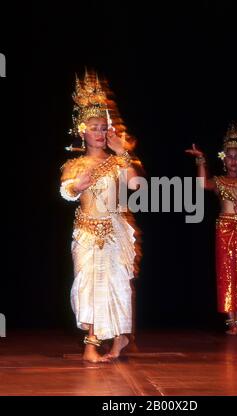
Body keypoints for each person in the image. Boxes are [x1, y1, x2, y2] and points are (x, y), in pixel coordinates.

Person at [60, 70, 142, 362]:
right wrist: (76, 185)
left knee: (118, 284)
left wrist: (123, 153)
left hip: (115, 231)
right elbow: (67, 191)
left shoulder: (116, 160)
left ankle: (119, 339)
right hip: (86, 232)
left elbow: (135, 185)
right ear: (82, 130)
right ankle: (91, 344)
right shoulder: (75, 163)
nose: (99, 132)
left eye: (103, 127)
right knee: (87, 284)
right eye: (93, 127)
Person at [185, 122, 237, 335]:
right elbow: (201, 185)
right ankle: (231, 323)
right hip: (225, 229)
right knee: (227, 273)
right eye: (229, 156)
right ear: (223, 158)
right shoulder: (219, 181)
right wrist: (201, 159)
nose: (234, 161)